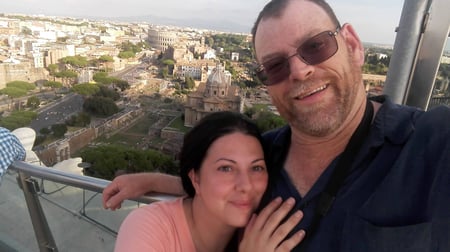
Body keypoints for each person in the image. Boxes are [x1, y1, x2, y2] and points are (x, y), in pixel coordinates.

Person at [104, 0, 450, 251]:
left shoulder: (435, 145)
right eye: (275, 66)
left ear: (353, 46)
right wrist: (149, 180)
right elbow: (220, 186)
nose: (300, 71)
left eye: (316, 47)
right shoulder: (260, 159)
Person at [113, 111, 305, 252]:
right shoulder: (149, 229)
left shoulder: (261, 233)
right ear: (195, 178)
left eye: (256, 168)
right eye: (226, 168)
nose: (246, 186)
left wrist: (154, 181)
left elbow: (212, 189)